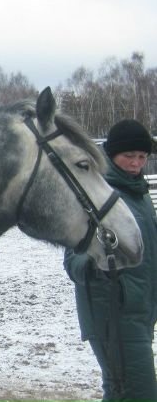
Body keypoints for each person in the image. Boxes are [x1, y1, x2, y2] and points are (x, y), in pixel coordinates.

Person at [64, 119, 157, 401]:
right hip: (112, 315)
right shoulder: (95, 195)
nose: (136, 163)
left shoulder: (138, 194)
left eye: (142, 157)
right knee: (141, 394)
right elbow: (73, 262)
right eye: (129, 156)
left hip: (141, 311)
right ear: (111, 154)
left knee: (119, 391)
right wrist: (98, 261)